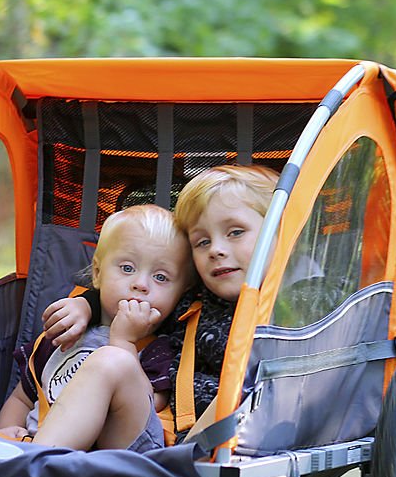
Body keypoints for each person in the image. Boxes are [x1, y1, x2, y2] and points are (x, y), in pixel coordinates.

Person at [45, 164, 279, 443]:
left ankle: (30, 467)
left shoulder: (300, 305)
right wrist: (87, 305)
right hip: (157, 441)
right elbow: (138, 298)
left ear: (281, 230)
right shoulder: (192, 301)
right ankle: (31, 463)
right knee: (111, 359)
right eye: (202, 242)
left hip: (223, 444)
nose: (216, 250)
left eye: (236, 232)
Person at [0, 203, 193, 452]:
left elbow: (148, 405)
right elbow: (22, 397)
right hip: (41, 445)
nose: (141, 284)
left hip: (123, 455)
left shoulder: (163, 348)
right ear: (97, 273)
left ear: (180, 294)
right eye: (127, 268)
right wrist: (7, 431)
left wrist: (125, 341)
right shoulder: (66, 330)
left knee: (114, 361)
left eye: (161, 277)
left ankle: (34, 460)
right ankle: (24, 458)